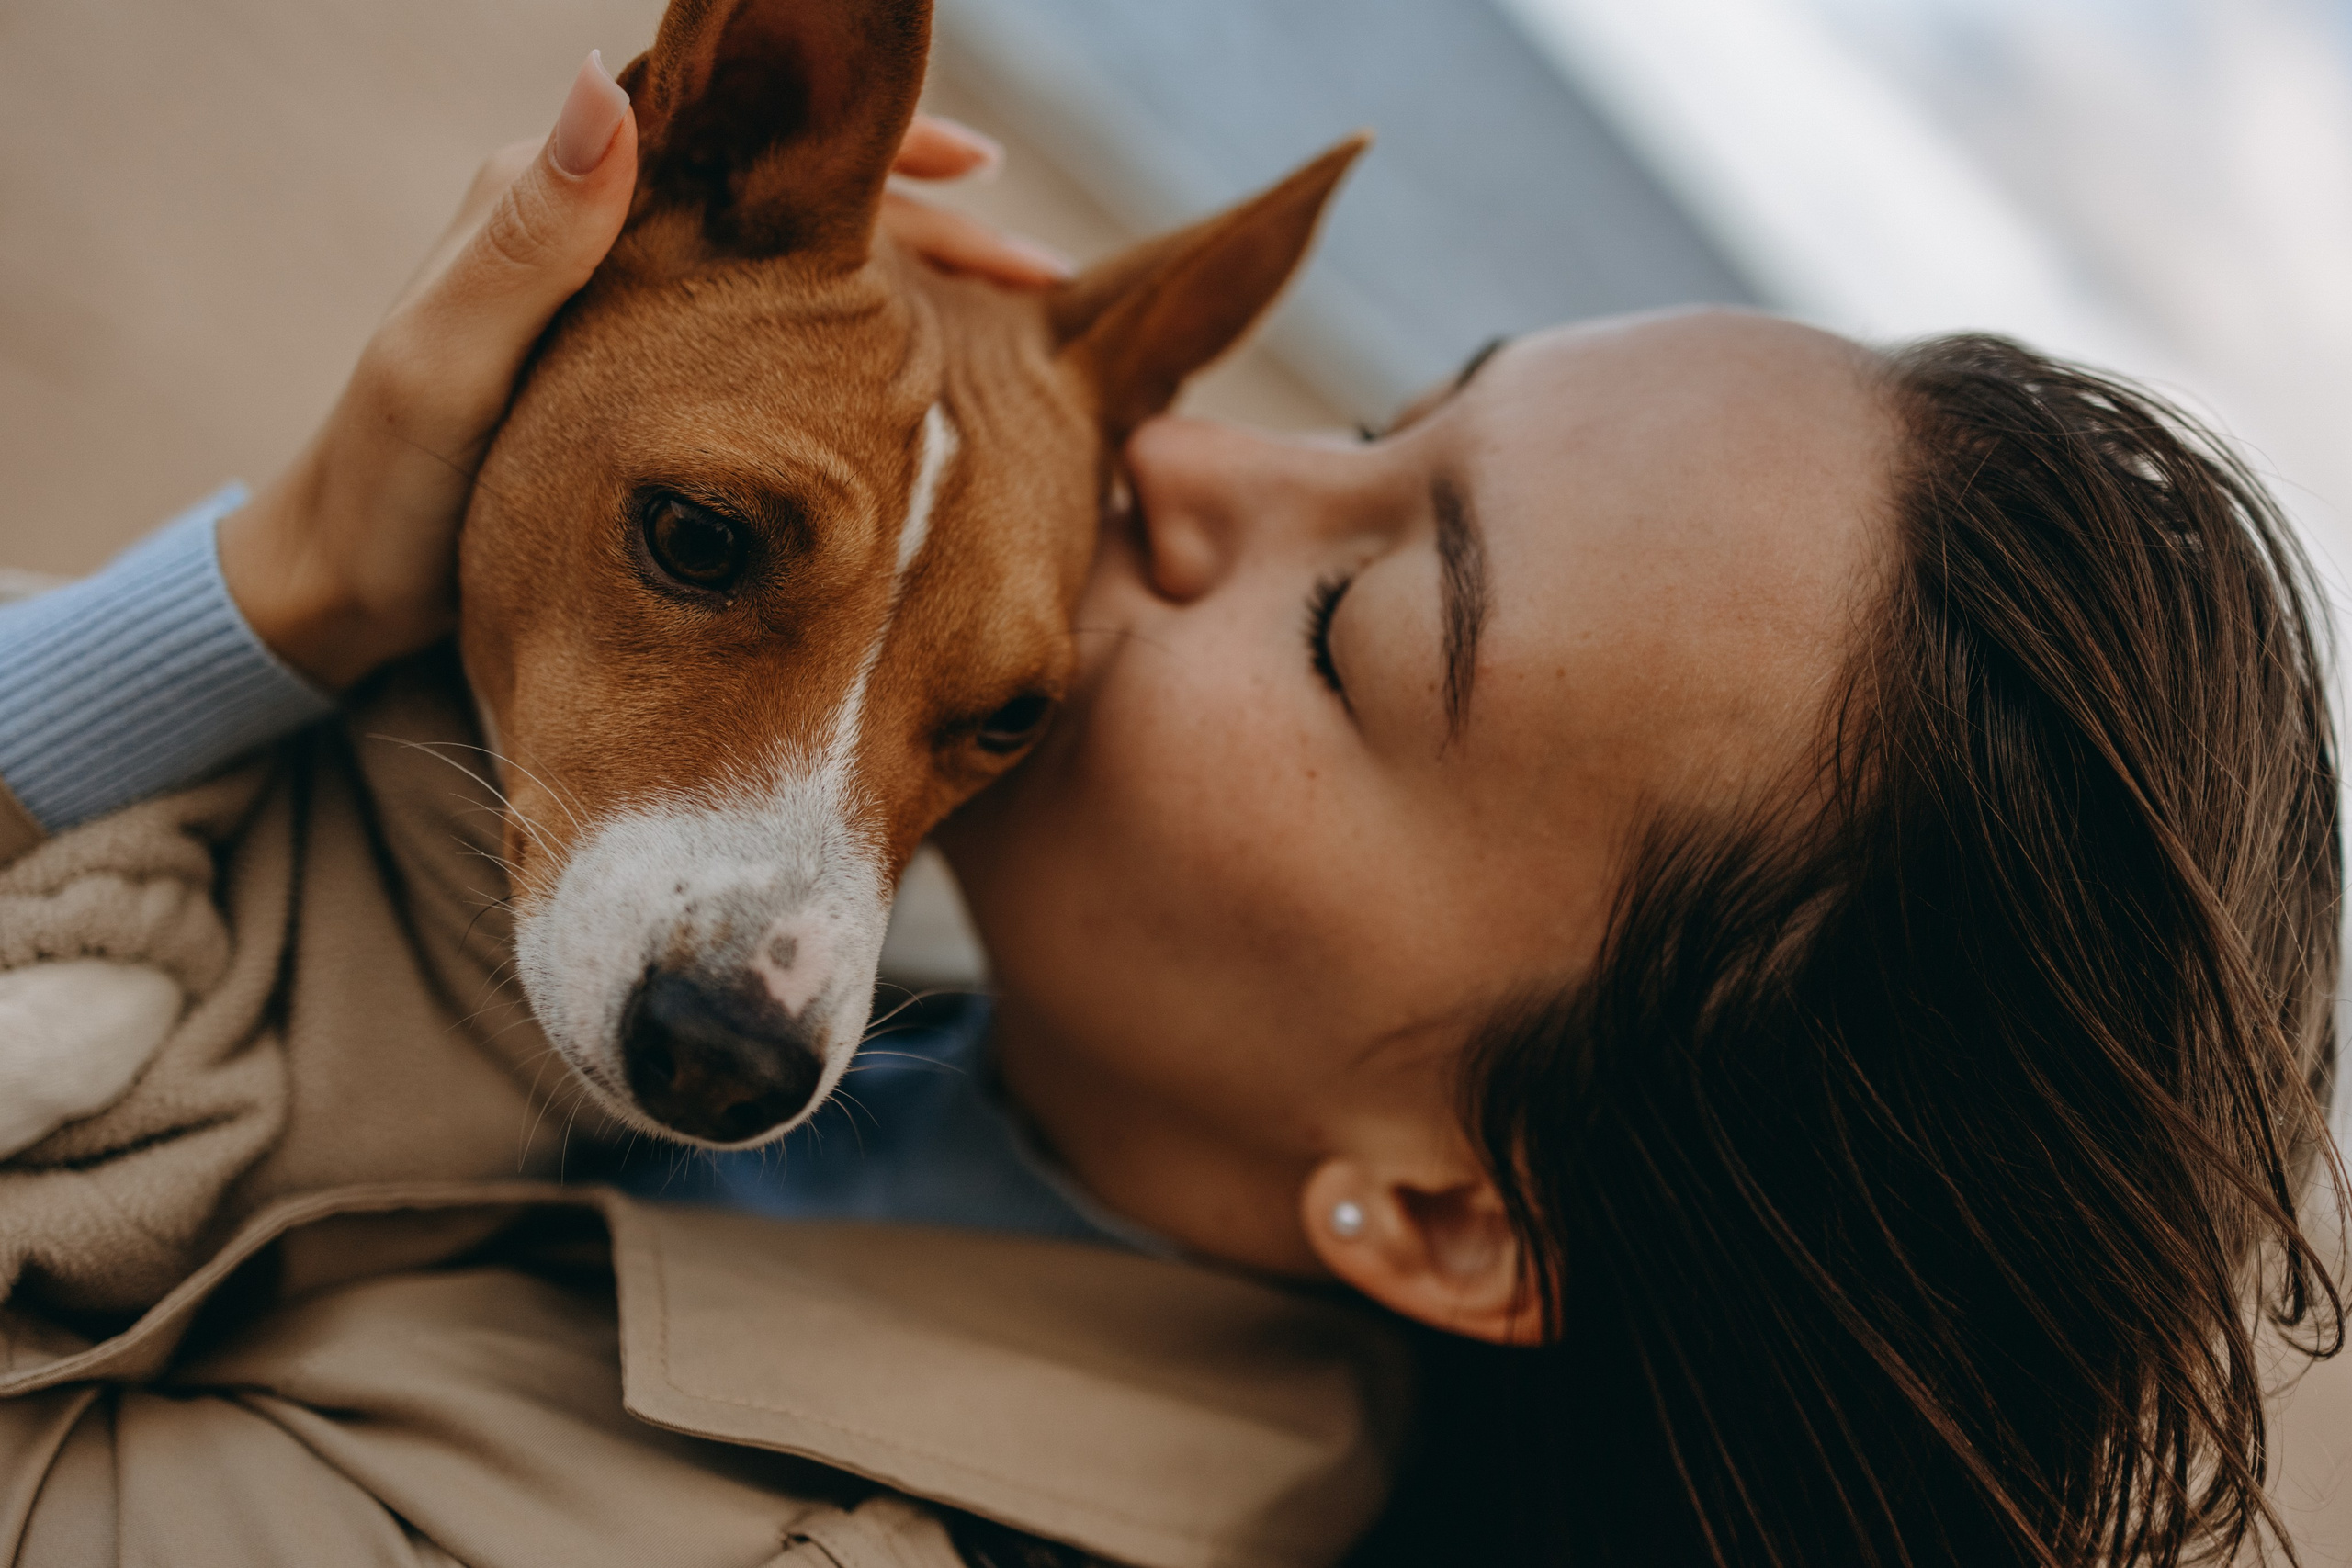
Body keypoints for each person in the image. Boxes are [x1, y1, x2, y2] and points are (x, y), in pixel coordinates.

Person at [2, 48, 2341, 1568]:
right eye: (1381, 418)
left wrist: (266, 598)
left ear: (1447, 1216)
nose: (1166, 459)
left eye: (1355, 621)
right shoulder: (955, 1047)